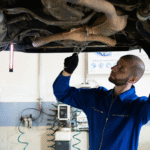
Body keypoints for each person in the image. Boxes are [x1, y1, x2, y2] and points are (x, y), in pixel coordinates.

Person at [53, 53, 150, 150]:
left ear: (133, 79)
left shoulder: (138, 106)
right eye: (117, 64)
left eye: (121, 68)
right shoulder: (96, 97)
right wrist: (67, 71)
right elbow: (62, 93)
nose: (113, 68)